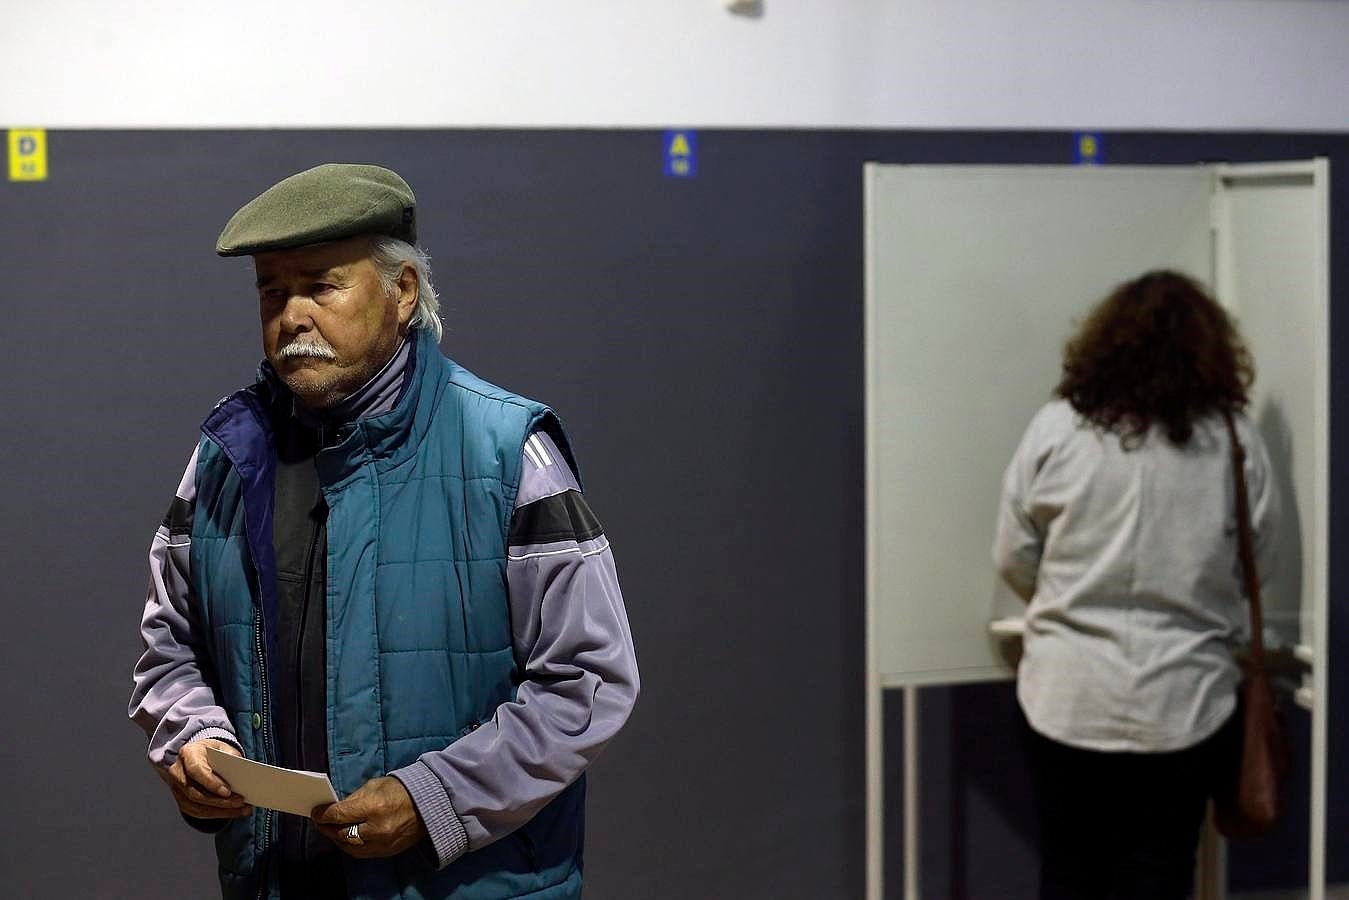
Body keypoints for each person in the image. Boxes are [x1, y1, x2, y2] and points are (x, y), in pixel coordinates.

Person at [129, 163, 639, 900]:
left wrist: (437, 799)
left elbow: (586, 680)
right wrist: (195, 742)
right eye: (272, 290)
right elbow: (169, 646)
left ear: (401, 293)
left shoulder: (506, 450)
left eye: (319, 285)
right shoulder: (225, 458)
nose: (291, 315)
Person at [992, 270, 1279, 900]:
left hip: (1065, 694)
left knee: (1069, 870)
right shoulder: (1234, 441)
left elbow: (1013, 553)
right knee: (1162, 870)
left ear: (1105, 342)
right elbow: (1254, 558)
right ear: (1210, 351)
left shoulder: (1057, 428)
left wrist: (1065, 599)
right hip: (1186, 699)